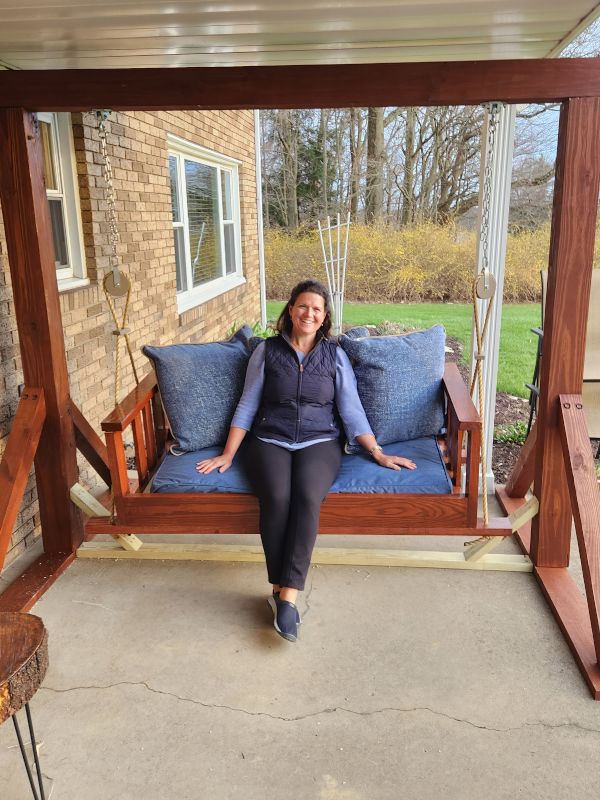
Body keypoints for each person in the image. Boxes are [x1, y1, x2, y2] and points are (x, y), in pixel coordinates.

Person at [197, 280, 416, 642]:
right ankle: (277, 585)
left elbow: (350, 408)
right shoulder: (266, 352)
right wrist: (228, 453)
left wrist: (376, 451)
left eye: (316, 308)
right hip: (269, 439)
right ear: (290, 310)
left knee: (308, 497)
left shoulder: (335, 355)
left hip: (320, 441)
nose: (308, 313)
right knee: (278, 498)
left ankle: (288, 596)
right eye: (302, 306)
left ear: (324, 316)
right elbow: (248, 404)